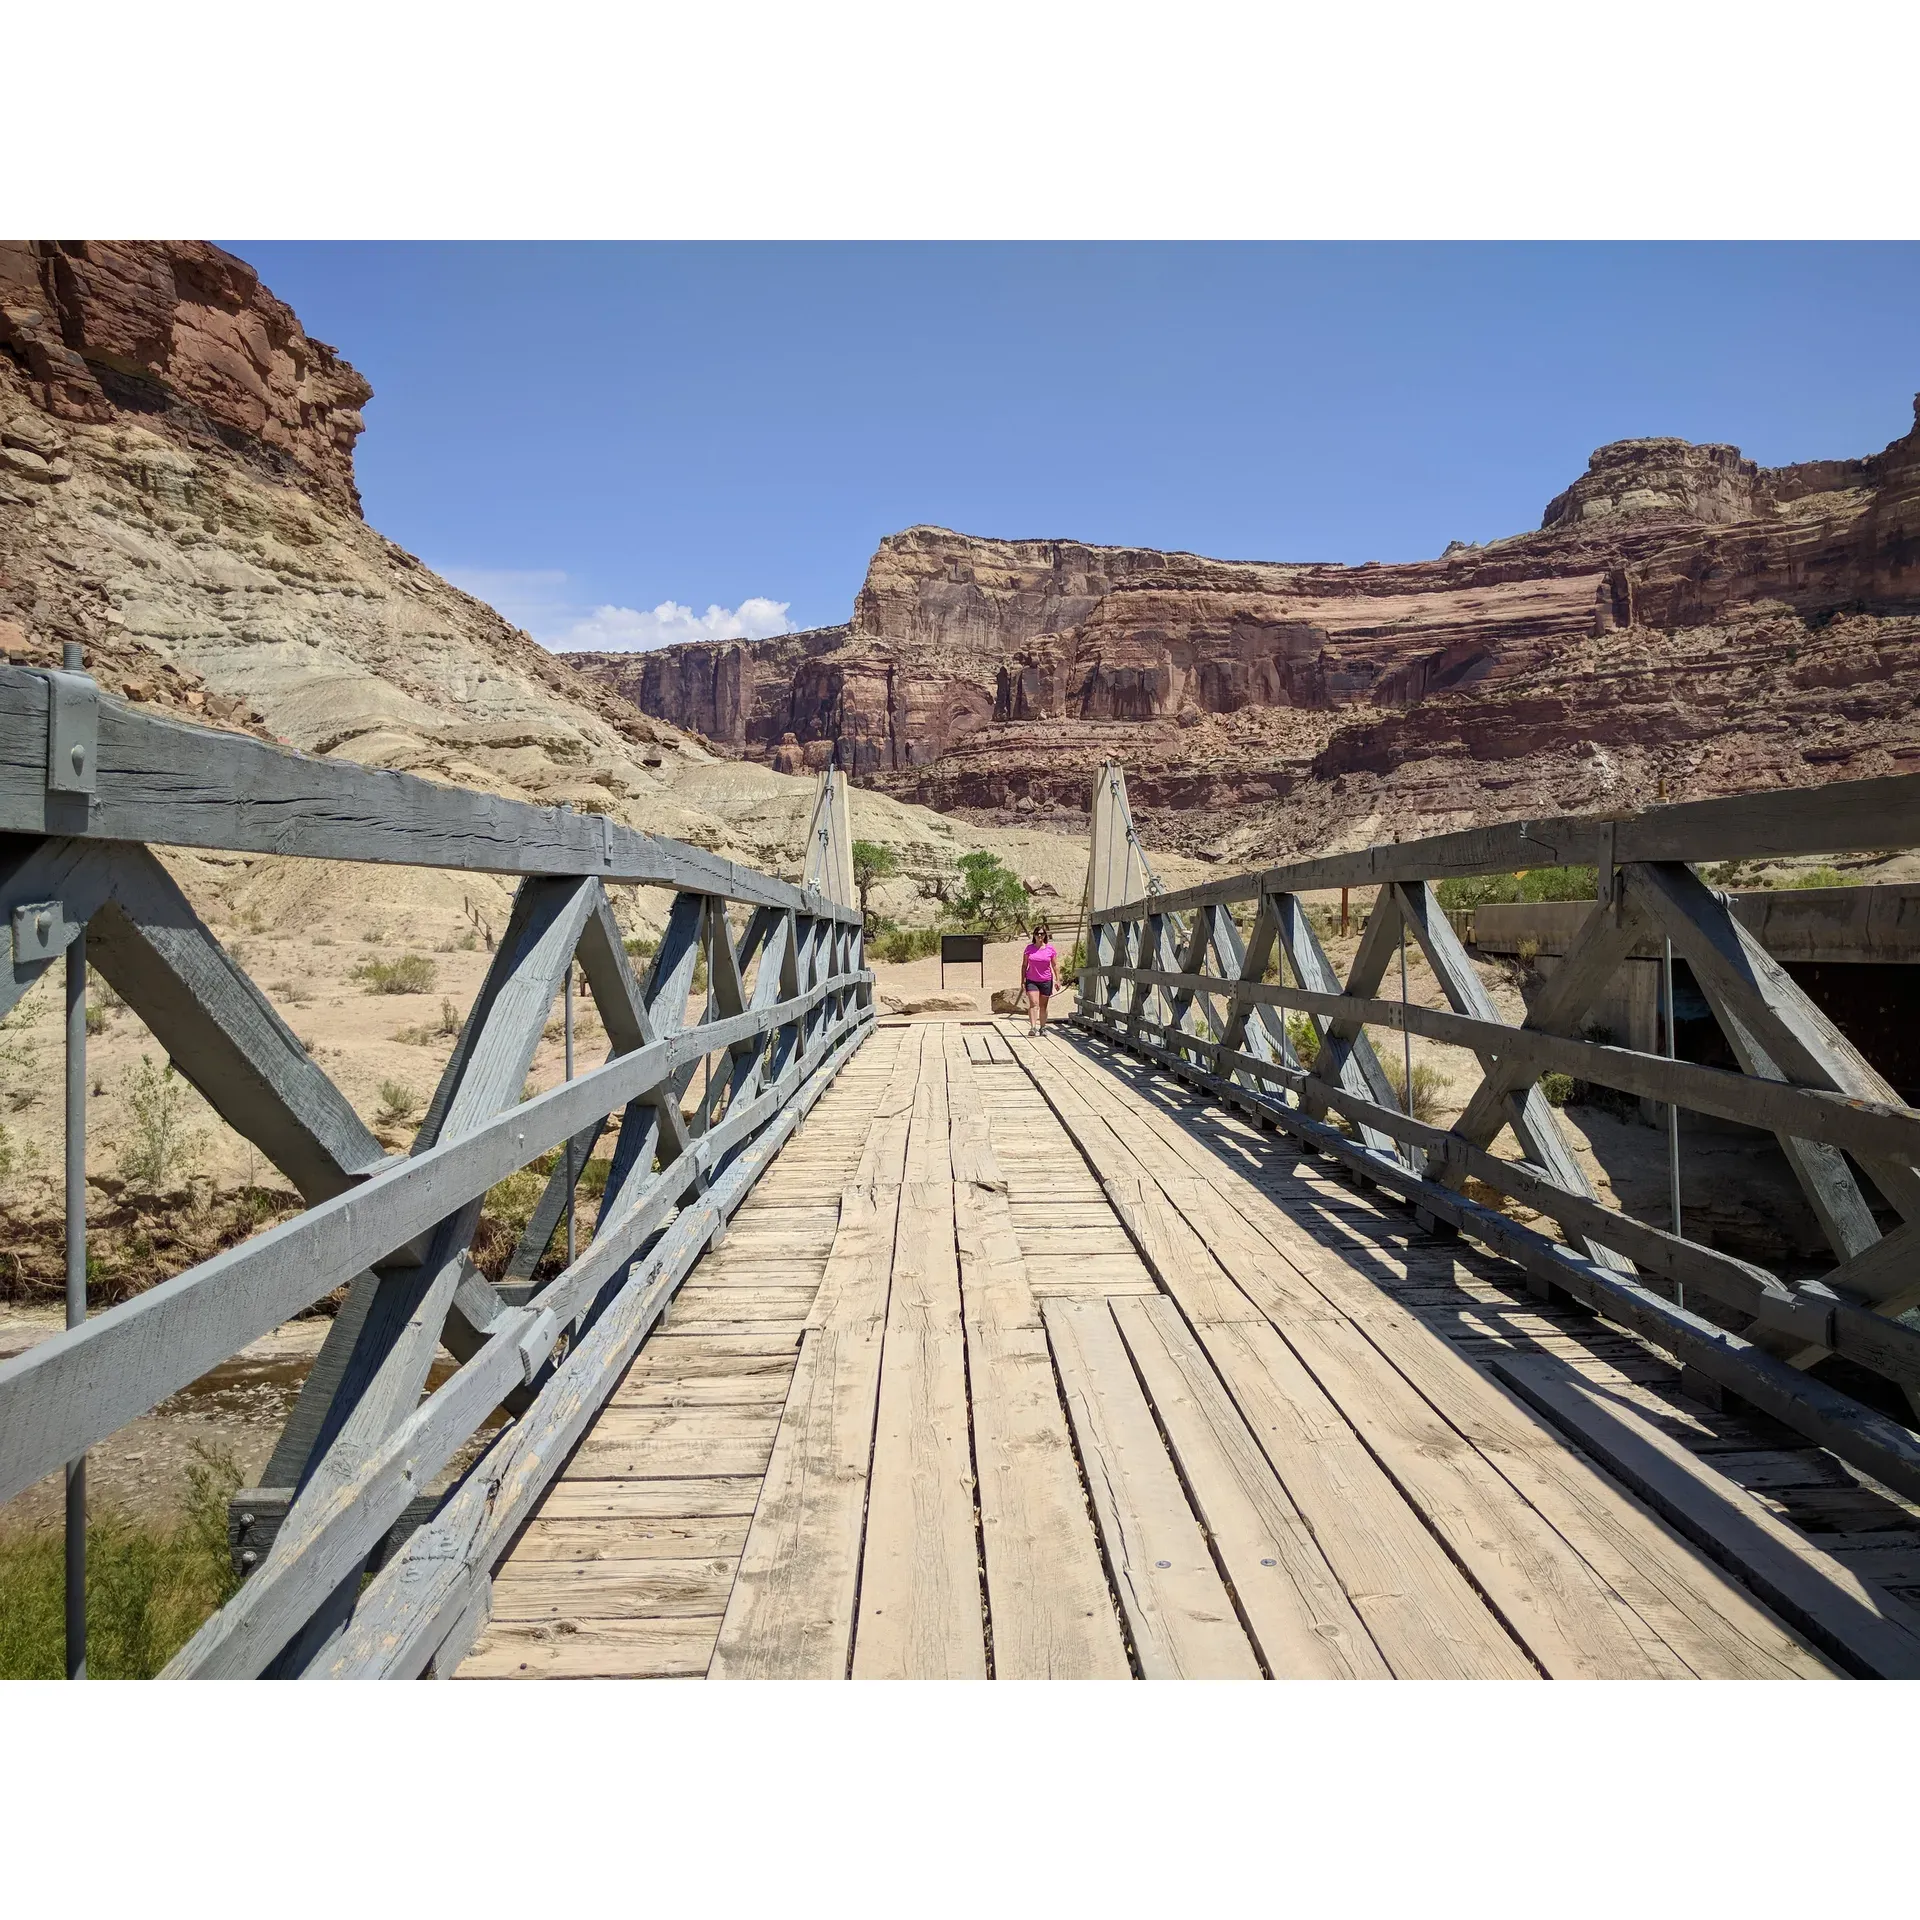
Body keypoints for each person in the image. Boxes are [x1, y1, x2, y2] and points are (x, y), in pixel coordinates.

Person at [1021, 922, 1058, 1037]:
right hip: (1032, 980)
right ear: (1034, 936)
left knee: (1043, 1005)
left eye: (1042, 934)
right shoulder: (1029, 949)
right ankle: (1033, 1027)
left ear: (1045, 935)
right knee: (1033, 1003)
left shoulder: (1050, 949)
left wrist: (1058, 979)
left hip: (1046, 980)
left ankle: (1043, 1027)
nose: (1039, 936)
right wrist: (1022, 980)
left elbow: (1055, 965)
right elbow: (1024, 965)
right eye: (1037, 934)